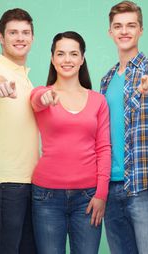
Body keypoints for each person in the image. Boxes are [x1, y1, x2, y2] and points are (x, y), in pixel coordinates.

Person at [100, 0, 148, 254]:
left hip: (145, 186)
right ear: (110, 32)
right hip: (110, 186)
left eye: (131, 25)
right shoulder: (107, 79)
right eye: (118, 26)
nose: (124, 31)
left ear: (140, 30)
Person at [30, 31, 111, 254]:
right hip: (46, 196)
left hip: (88, 197)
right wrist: (44, 98)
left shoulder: (98, 100)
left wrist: (101, 193)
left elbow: (104, 148)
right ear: (52, 58)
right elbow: (36, 101)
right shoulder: (42, 93)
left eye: (74, 54)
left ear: (82, 58)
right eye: (61, 54)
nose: (67, 60)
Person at [0, 9, 39, 254]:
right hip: (5, 182)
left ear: (33, 38)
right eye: (13, 32)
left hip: (32, 182)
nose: (20, 38)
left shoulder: (27, 79)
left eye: (25, 33)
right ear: (1, 38)